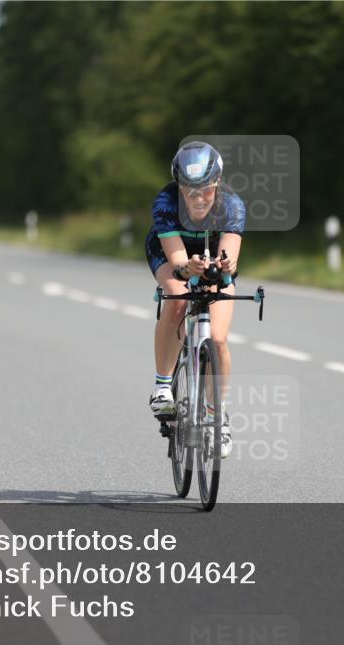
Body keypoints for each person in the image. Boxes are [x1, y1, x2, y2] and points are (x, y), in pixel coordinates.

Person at [145, 141, 245, 457]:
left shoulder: (231, 205)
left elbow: (231, 260)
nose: (197, 198)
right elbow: (176, 262)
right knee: (177, 294)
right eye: (189, 190)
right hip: (171, 254)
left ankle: (219, 419)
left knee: (217, 339)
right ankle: (163, 386)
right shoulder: (165, 203)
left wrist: (224, 265)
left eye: (204, 189)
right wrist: (188, 268)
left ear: (216, 182)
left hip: (213, 259)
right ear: (179, 186)